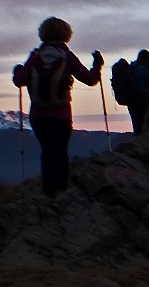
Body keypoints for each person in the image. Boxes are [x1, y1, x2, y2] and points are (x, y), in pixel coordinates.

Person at [12, 16, 102, 196]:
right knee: (60, 152)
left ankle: (48, 191)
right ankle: (61, 191)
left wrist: (18, 69)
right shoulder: (67, 57)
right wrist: (97, 65)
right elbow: (91, 80)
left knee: (46, 152)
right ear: (66, 34)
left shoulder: (35, 56)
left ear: (42, 34)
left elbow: (19, 80)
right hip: (61, 115)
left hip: (38, 116)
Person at [128, 49, 149, 135]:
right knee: (148, 128)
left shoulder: (132, 67)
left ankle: (136, 145)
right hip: (144, 102)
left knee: (137, 128)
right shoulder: (142, 69)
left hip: (132, 102)